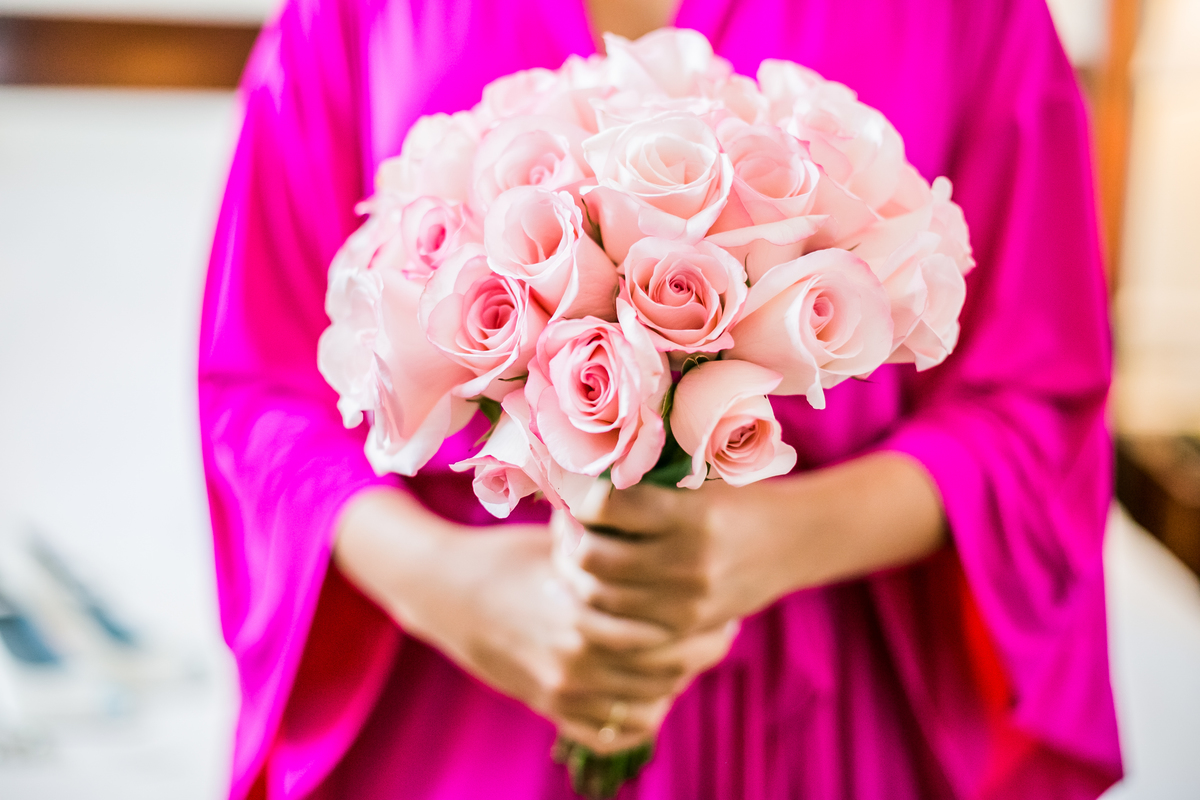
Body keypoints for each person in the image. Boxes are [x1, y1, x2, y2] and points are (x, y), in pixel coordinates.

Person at [198, 0, 1123, 797]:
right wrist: (452, 585)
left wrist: (771, 541)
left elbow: (1037, 399)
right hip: (457, 691)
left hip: (816, 701)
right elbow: (258, 387)